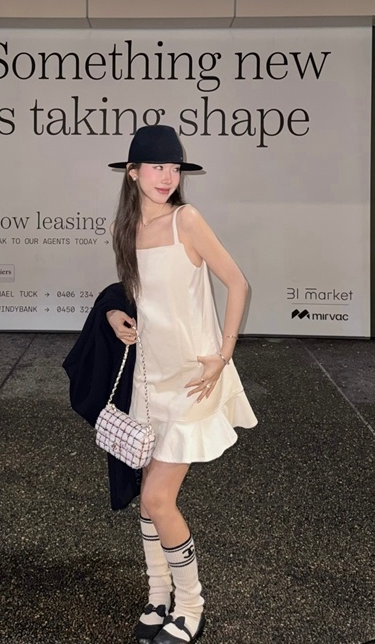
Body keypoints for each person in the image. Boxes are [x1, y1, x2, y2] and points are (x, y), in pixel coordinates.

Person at [106, 125, 258, 644]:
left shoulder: (186, 220)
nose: (167, 177)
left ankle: (190, 605)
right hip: (148, 381)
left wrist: (224, 354)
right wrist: (116, 315)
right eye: (157, 167)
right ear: (133, 173)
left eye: (174, 168)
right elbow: (135, 295)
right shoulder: (123, 229)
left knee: (157, 497)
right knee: (150, 499)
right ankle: (158, 595)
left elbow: (237, 282)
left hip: (193, 381)